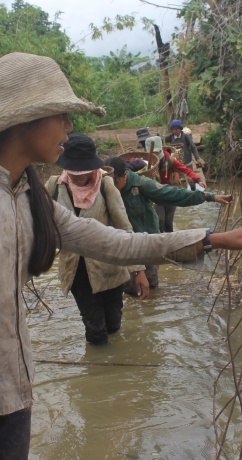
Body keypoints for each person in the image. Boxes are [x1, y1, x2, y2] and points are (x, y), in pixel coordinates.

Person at [0, 52, 242, 460]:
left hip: (14, 400)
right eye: (60, 115)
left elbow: (114, 242)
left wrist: (210, 238)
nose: (68, 127)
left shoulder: (28, 195)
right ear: (25, 121)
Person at [45, 133, 150, 344]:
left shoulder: (106, 186)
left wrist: (139, 270)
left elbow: (124, 228)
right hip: (76, 270)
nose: (79, 177)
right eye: (74, 172)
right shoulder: (54, 187)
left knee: (113, 324)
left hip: (109, 266)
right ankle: (100, 365)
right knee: (95, 329)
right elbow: (42, 224)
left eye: (83, 172)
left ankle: (112, 370)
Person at [104, 155, 233, 295]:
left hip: (147, 241)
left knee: (151, 283)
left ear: (125, 175)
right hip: (122, 243)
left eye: (115, 183)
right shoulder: (105, 187)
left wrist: (209, 197)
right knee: (127, 287)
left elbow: (173, 194)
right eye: (109, 183)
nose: (112, 187)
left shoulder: (141, 184)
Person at [144, 135, 206, 233]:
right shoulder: (145, 162)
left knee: (168, 223)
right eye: (153, 153)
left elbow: (185, 170)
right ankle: (160, 242)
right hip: (156, 194)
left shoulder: (169, 160)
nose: (155, 155)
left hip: (170, 192)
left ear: (160, 150)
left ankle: (171, 243)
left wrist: (198, 180)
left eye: (157, 152)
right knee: (160, 220)